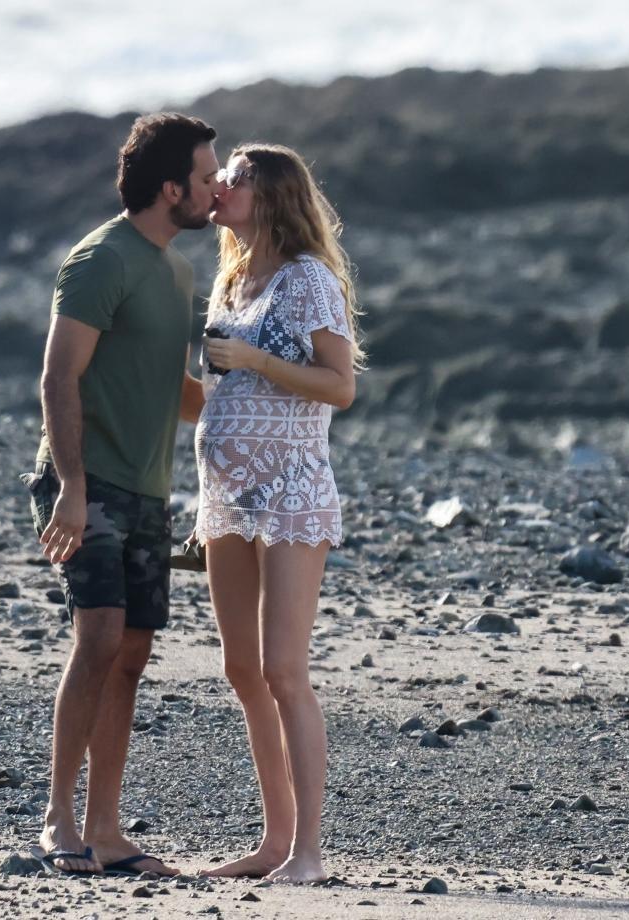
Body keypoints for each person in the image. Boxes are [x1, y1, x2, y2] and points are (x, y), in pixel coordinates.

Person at [25, 113, 220, 875]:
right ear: (170, 188)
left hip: (148, 488)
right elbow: (57, 376)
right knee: (99, 636)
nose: (214, 191)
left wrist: (266, 413)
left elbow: (172, 388)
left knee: (133, 654)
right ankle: (59, 819)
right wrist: (71, 488)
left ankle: (106, 830)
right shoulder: (101, 258)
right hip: (87, 481)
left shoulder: (175, 269)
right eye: (205, 179)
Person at [194, 144, 363, 883]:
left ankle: (309, 854)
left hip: (291, 488)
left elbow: (339, 386)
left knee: (283, 668)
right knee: (240, 668)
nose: (217, 185)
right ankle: (272, 841)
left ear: (268, 193)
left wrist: (257, 361)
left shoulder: (307, 280)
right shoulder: (234, 277)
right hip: (225, 495)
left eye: (231, 176)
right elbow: (223, 394)